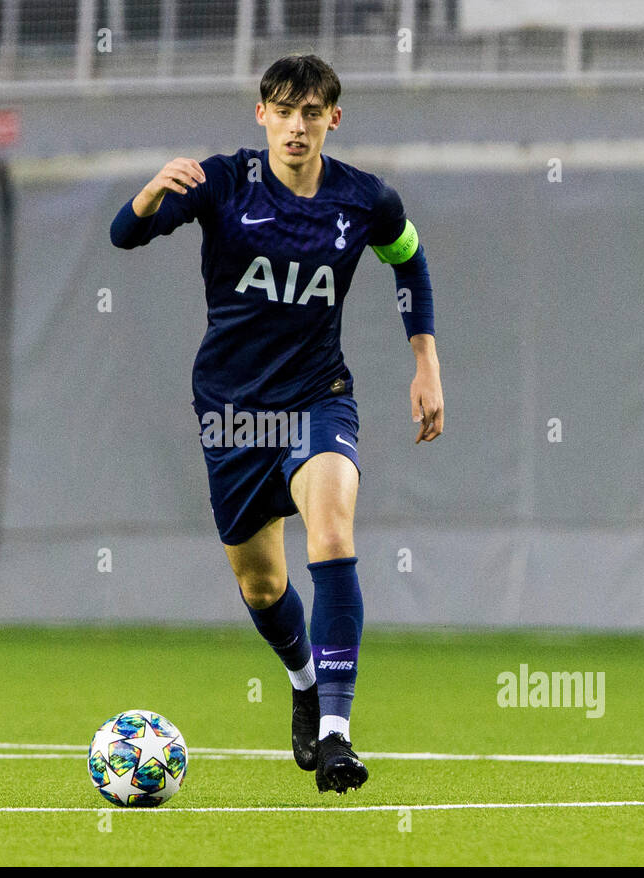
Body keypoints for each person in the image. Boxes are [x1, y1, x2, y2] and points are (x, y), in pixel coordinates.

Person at [110, 53, 443, 793]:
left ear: (333, 118)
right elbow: (123, 238)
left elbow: (410, 265)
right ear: (262, 115)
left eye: (312, 111)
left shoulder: (364, 200)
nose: (298, 125)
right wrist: (148, 192)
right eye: (284, 111)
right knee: (262, 587)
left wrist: (425, 365)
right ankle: (300, 677)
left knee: (331, 532)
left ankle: (336, 734)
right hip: (231, 415)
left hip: (317, 396)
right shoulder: (224, 182)